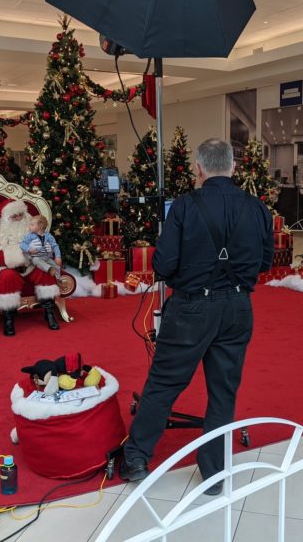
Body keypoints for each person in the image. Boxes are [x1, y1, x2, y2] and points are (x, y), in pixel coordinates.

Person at [121, 138, 274, 495]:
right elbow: (265, 263)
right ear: (234, 166)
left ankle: (137, 458)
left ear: (199, 169)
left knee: (164, 383)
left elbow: (163, 264)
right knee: (223, 392)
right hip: (238, 308)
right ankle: (215, 474)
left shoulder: (185, 207)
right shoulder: (258, 208)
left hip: (190, 307)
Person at [0, 199, 61, 334]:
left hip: (31, 266)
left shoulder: (33, 227)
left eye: (21, 214)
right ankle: (9, 318)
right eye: (14, 216)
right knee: (8, 277)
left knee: (45, 272)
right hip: (7, 268)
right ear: (6, 217)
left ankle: (49, 311)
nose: (19, 218)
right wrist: (25, 255)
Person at [20, 214, 63, 284]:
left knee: (57, 266)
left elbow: (55, 246)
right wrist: (29, 249)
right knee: (36, 260)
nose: (29, 227)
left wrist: (58, 257)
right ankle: (49, 269)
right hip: (36, 257)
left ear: (40, 226)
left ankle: (58, 279)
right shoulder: (30, 236)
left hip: (46, 257)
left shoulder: (48, 236)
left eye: (32, 225)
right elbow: (22, 244)